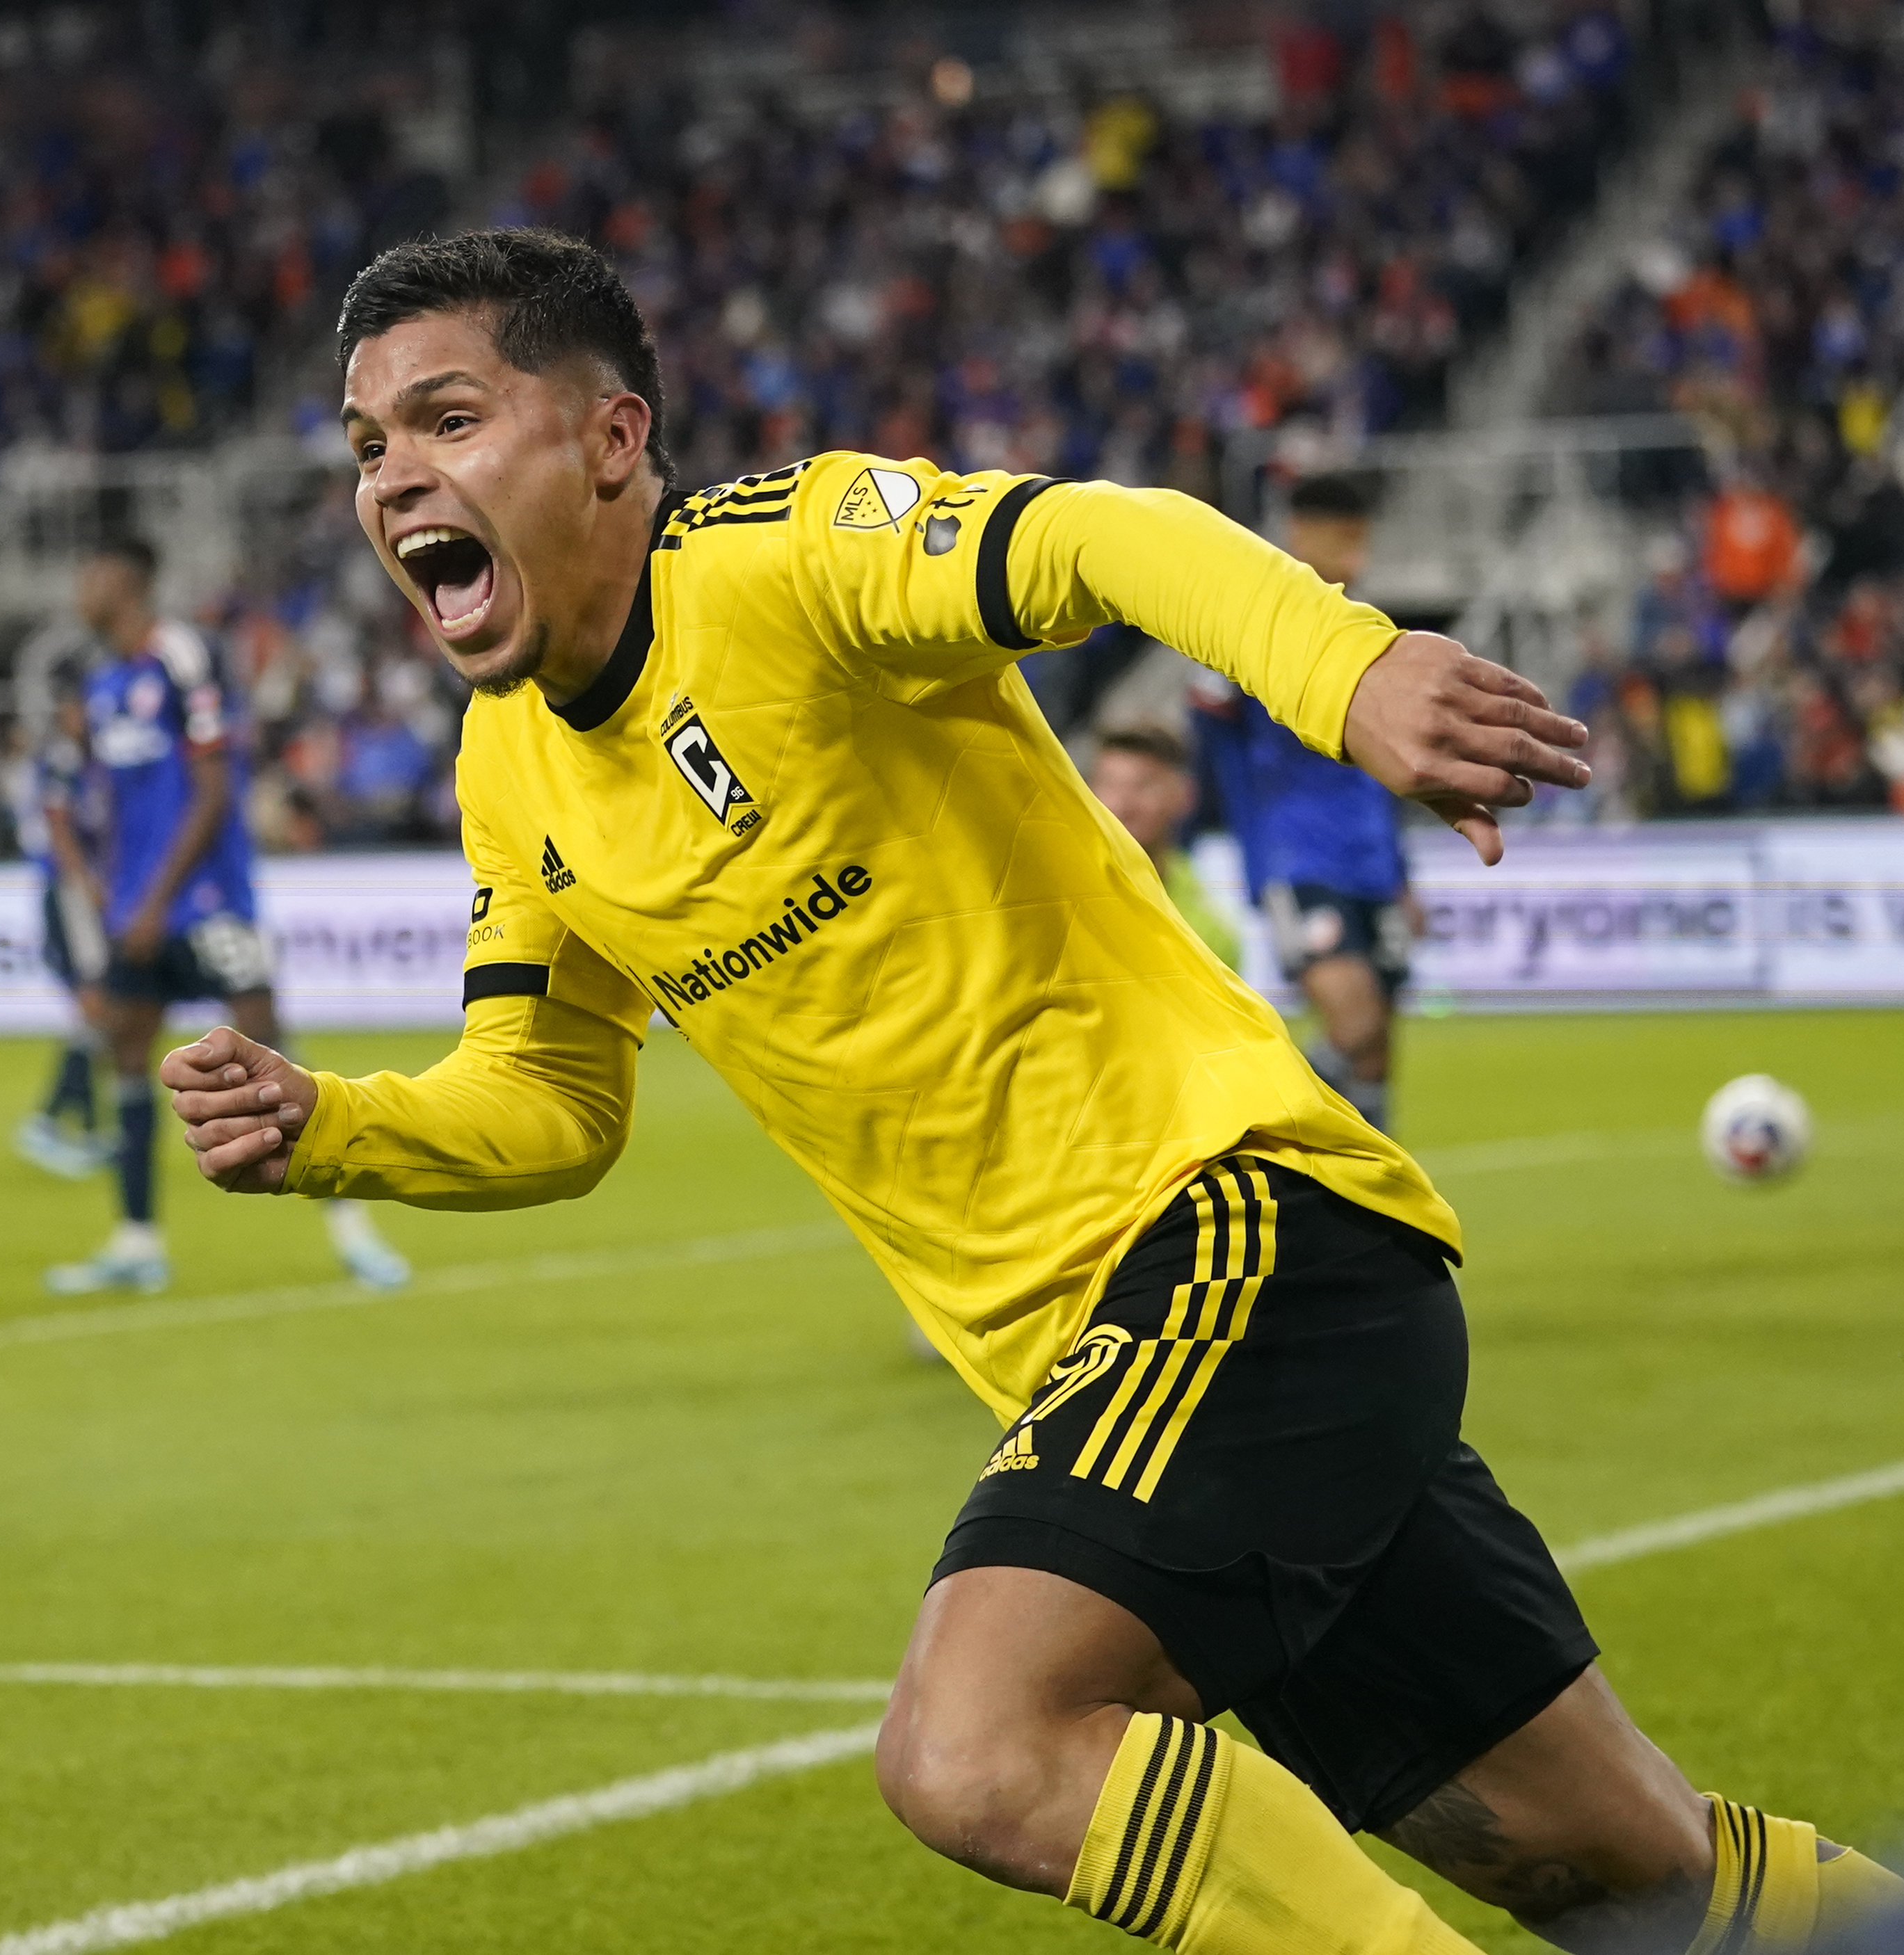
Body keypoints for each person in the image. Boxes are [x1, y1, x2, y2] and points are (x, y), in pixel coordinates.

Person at [162, 230, 1903, 1955]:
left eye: (446, 418)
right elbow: (551, 1095)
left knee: (975, 1746)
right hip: (1127, 1364)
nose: (396, 477)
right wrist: (336, 1126)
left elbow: (1098, 534)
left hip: (1235, 1236)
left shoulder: (784, 564)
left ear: (611, 438)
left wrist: (1342, 667)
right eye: (366, 442)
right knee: (1627, 1871)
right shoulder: (506, 766)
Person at [45, 535, 409, 1297]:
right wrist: (111, 892)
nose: (80, 586)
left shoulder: (182, 656)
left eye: (91, 569)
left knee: (272, 1056)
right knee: (127, 1060)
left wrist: (151, 899)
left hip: (204, 905)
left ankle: (353, 1233)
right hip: (136, 909)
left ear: (126, 577)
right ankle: (136, 1240)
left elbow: (213, 790)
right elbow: (109, 807)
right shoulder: (107, 685)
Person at [1194, 473, 1417, 1131]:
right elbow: (1209, 730)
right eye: (1342, 535)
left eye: (1361, 536)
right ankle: (1245, 1115)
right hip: (1297, 854)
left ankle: (1376, 1193)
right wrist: (1234, 836)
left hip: (1371, 860)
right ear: (1298, 535)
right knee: (1354, 1021)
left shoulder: (1367, 630)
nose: (1356, 550)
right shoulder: (1250, 624)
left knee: (1378, 1048)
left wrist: (1402, 873)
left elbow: (1381, 766)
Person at [13, 685, 114, 1180]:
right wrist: (84, 881)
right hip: (73, 892)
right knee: (96, 1002)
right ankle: (49, 1119)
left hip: (88, 890)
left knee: (101, 1010)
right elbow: (58, 825)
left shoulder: (93, 759)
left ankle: (92, 1127)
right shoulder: (65, 759)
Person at [1088, 725, 1241, 970]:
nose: (1121, 806)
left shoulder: (1218, 896)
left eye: (1143, 786)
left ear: (1185, 795)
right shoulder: (1063, 885)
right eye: (1109, 785)